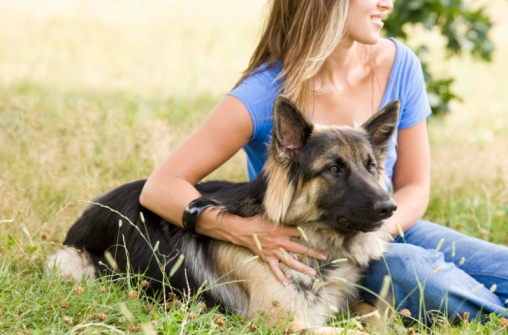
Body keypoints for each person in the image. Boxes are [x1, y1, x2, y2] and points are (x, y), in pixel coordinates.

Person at [140, 0, 508, 325]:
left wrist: (378, 232)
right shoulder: (263, 92)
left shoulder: (400, 64)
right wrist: (240, 230)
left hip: (389, 225)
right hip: (317, 247)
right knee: (413, 270)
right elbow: (160, 186)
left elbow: (414, 187)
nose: (388, 4)